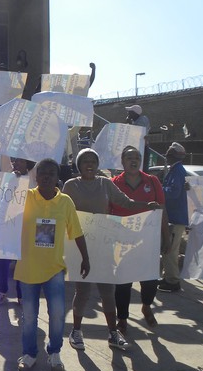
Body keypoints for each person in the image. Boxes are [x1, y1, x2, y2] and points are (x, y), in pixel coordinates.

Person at [62, 148, 159, 351]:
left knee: (108, 291)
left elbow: (126, 203)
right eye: (85, 160)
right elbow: (63, 212)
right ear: (78, 165)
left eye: (93, 161)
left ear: (98, 165)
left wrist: (146, 206)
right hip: (79, 246)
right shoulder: (71, 186)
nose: (89, 164)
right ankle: (76, 331)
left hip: (104, 245)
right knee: (83, 291)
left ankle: (113, 333)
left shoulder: (105, 183)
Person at [13, 158, 90, 371]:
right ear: (35, 176)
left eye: (51, 173)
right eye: (42, 173)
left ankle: (54, 352)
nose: (46, 176)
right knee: (29, 316)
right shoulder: (24, 197)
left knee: (57, 314)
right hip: (28, 268)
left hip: (54, 268)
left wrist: (86, 257)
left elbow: (77, 231)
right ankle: (29, 354)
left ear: (58, 178)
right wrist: (13, 181)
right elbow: (0, 207)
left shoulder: (65, 202)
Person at [111, 146, 171, 333]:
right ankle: (122, 318)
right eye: (129, 157)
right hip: (123, 241)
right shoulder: (113, 183)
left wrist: (166, 236)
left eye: (137, 157)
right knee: (123, 283)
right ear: (122, 161)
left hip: (148, 241)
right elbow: (107, 212)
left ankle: (146, 306)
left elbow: (162, 210)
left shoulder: (152, 181)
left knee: (150, 281)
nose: (133, 160)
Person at [0, 158, 35, 305]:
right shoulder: (7, 176)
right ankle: (2, 290)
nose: (16, 164)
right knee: (2, 262)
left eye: (21, 162)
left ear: (28, 165)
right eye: (15, 161)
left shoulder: (33, 178)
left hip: (24, 228)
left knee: (21, 263)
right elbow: (3, 157)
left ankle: (21, 294)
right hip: (6, 227)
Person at [159, 142, 189, 293]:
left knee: (170, 249)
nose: (166, 156)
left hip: (175, 217)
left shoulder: (177, 171)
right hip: (175, 216)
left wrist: (158, 189)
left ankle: (172, 281)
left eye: (168, 154)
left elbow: (173, 192)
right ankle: (168, 276)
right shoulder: (177, 170)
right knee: (169, 248)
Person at [125, 104, 151, 170]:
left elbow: (138, 133)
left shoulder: (142, 120)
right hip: (138, 148)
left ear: (134, 113)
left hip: (143, 149)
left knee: (142, 169)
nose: (128, 113)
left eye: (129, 112)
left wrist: (130, 124)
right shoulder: (135, 121)